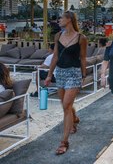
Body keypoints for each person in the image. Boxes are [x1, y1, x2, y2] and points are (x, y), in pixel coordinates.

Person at [44, 11, 87, 155]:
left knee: (66, 105)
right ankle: (74, 119)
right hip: (60, 73)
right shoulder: (58, 36)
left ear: (69, 20)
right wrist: (50, 75)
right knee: (65, 105)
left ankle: (64, 142)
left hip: (74, 73)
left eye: (61, 18)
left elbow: (82, 57)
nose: (59, 20)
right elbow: (55, 56)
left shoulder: (81, 38)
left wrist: (83, 74)